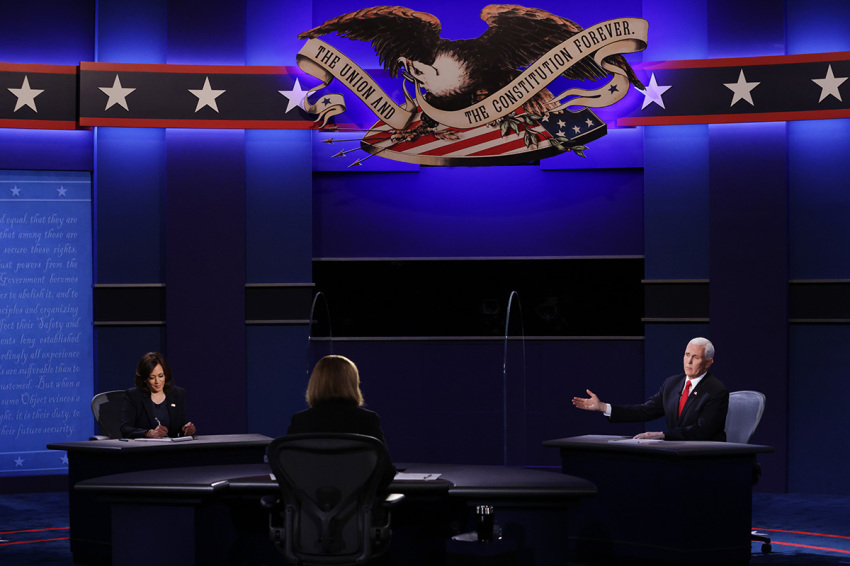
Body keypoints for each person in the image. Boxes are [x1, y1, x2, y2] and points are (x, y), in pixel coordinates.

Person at [571, 337, 729, 441]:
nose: (689, 361)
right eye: (687, 355)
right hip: (678, 451)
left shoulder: (716, 390)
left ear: (709, 362)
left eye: (695, 357)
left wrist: (661, 435)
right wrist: (604, 407)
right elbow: (644, 411)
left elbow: (701, 431)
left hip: (706, 454)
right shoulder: (672, 384)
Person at [288, 355, 396, 487]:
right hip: (357, 504)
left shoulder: (300, 421)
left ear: (314, 383)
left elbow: (288, 472)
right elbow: (385, 474)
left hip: (310, 504)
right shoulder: (366, 420)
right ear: (352, 384)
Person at [120, 352, 197, 439]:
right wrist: (148, 434)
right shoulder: (133, 396)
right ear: (144, 379)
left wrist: (186, 430)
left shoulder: (178, 394)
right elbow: (125, 429)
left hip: (172, 449)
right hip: (144, 449)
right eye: (152, 377)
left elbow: (180, 428)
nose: (157, 381)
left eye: (160, 376)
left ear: (165, 375)